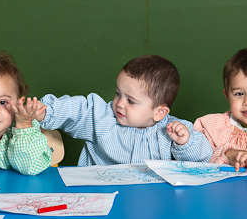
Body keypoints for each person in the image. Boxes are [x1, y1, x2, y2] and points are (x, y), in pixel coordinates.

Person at [38, 55, 212, 165]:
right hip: (100, 197)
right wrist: (45, 110)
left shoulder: (172, 131)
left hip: (150, 202)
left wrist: (185, 142)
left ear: (159, 112)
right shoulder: (102, 118)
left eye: (131, 101)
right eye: (117, 94)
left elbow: (203, 157)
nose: (119, 104)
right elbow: (77, 110)